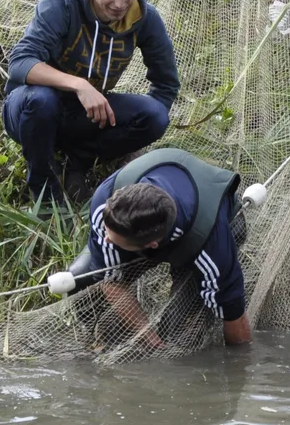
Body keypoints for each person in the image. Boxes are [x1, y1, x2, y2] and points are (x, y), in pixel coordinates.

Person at [2, 0, 179, 206]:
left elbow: (165, 84)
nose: (120, 4)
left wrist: (128, 139)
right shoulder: (61, 5)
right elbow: (19, 63)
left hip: (85, 116)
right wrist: (79, 85)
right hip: (31, 110)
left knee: (155, 117)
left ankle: (78, 162)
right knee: (41, 101)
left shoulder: (144, 18)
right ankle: (44, 189)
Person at [67, 147, 251, 347]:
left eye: (112, 238)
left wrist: (239, 369)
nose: (106, 239)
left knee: (178, 335)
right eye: (106, 230)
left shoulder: (210, 244)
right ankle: (105, 342)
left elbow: (234, 316)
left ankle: (184, 310)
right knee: (81, 279)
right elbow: (111, 282)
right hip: (157, 229)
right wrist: (151, 340)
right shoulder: (108, 204)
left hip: (212, 222)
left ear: (151, 246)